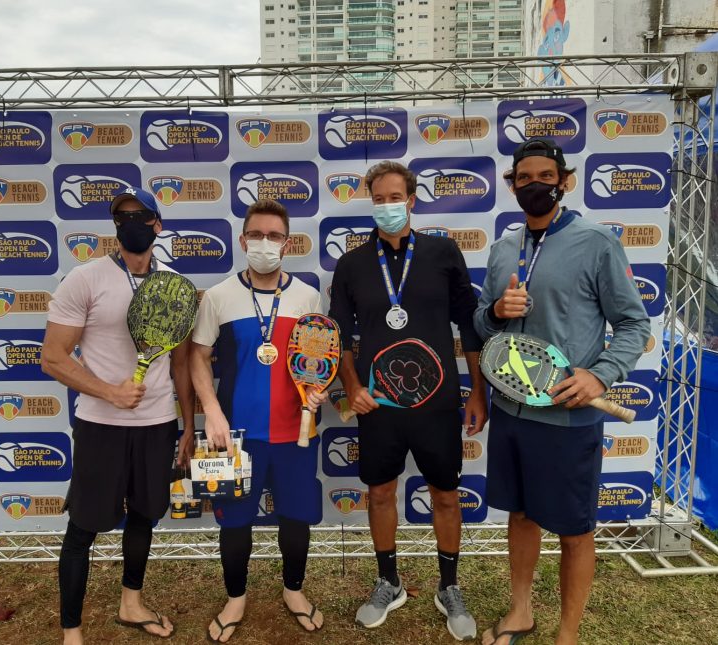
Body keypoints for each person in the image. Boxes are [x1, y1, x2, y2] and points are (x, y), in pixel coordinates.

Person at [473, 138, 650, 645]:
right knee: (520, 515)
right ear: (511, 185)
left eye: (546, 177)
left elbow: (634, 324)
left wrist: (601, 374)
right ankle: (520, 612)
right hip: (512, 412)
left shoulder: (597, 242)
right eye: (524, 178)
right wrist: (495, 313)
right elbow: (481, 325)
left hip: (568, 416)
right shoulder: (503, 248)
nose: (535, 185)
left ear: (565, 182)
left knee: (575, 531)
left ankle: (567, 635)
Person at [328, 161, 488, 640]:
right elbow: (340, 337)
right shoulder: (352, 264)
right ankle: (388, 582)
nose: (387, 206)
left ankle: (449, 587)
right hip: (379, 405)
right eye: (378, 199)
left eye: (395, 198)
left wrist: (478, 391)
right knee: (380, 492)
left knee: (445, 495)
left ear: (412, 200)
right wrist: (352, 388)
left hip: (438, 404)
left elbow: (469, 326)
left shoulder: (442, 253)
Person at [41, 186, 196, 644]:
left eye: (139, 215)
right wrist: (109, 392)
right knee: (83, 528)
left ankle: (131, 603)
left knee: (145, 516)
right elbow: (52, 357)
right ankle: (72, 632)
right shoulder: (85, 279)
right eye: (121, 216)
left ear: (157, 225)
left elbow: (182, 364)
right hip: (101, 426)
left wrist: (188, 425)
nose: (130, 223)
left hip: (157, 425)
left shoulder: (175, 285)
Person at [190, 198, 327, 643]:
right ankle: (236, 598)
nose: (264, 243)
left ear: (287, 244)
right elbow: (198, 357)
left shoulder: (308, 297)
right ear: (242, 239)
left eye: (274, 236)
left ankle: (294, 591)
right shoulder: (218, 297)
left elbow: (317, 362)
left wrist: (318, 390)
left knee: (296, 520)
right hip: (235, 436)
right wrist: (212, 410)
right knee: (234, 524)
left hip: (296, 433)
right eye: (256, 235)